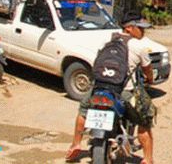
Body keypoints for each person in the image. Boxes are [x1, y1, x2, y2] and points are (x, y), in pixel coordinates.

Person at [66, 13, 155, 164]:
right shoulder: (139, 46)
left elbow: (98, 62)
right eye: (140, 28)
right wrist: (150, 80)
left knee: (83, 110)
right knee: (145, 118)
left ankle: (76, 144)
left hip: (99, 88)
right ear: (129, 28)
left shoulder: (107, 40)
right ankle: (148, 159)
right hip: (123, 93)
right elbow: (148, 70)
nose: (143, 32)